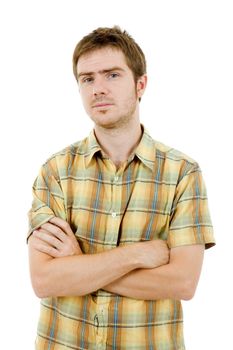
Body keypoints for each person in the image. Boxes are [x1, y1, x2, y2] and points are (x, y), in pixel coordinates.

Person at [27, 26, 215, 350]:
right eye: (87, 79)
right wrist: (139, 254)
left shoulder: (183, 174)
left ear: (141, 84)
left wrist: (80, 263)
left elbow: (183, 282)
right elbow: (45, 280)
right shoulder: (55, 172)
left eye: (112, 75)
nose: (98, 88)